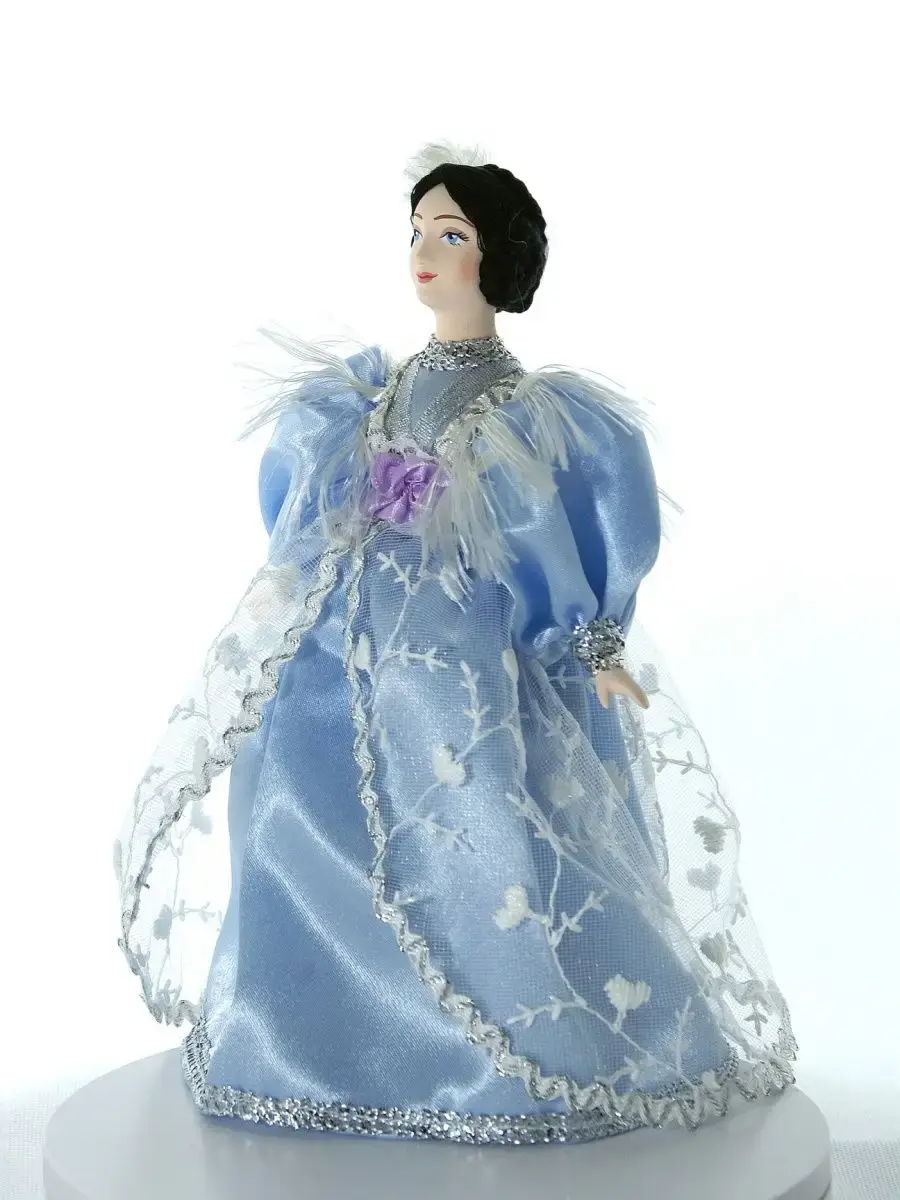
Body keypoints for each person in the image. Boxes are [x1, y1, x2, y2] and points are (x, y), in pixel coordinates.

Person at [115, 141, 797, 1144]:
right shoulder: (365, 393)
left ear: (496, 258)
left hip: (460, 639)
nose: (424, 254)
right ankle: (311, 1035)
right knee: (287, 791)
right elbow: (303, 500)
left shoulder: (529, 411)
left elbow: (546, 532)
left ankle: (491, 1055)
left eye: (450, 235)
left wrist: (594, 646)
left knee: (473, 803)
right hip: (346, 628)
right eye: (417, 233)